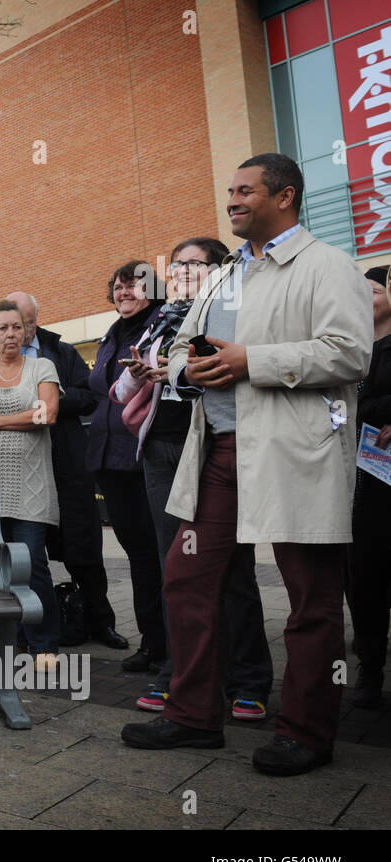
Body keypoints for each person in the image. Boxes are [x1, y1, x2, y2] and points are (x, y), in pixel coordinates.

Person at [122, 153, 372, 776]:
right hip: (218, 453)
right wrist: (189, 368)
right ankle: (193, 716)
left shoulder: (329, 265)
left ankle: (307, 733)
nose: (231, 200)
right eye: (229, 191)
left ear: (284, 196)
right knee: (186, 579)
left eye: (245, 191)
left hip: (294, 451)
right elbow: (182, 348)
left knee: (311, 595)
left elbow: (348, 355)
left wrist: (248, 361)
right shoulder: (226, 275)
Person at [109, 238, 272, 719]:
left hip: (215, 444)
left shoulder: (233, 311)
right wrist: (145, 372)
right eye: (175, 264)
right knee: (173, 568)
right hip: (161, 448)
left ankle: (248, 678)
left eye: (193, 264)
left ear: (219, 269)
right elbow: (120, 391)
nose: (180, 271)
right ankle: (182, 674)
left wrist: (184, 372)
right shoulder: (162, 318)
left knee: (233, 568)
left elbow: (238, 371)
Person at [0, 292, 127, 651]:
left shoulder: (58, 354)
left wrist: (48, 399)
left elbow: (87, 397)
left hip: (65, 465)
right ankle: (32, 632)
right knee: (27, 558)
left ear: (36, 321)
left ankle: (99, 621)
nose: (20, 330)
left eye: (27, 323)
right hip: (17, 472)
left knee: (84, 552)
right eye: (11, 324)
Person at [0, 300, 62, 669]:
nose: (10, 334)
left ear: (27, 331)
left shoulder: (42, 366)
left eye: (17, 327)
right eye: (2, 328)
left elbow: (47, 413)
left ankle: (45, 640)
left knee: (33, 560)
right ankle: (13, 638)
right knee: (1, 566)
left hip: (32, 484)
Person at [88, 261, 166, 672]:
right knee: (138, 555)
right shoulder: (111, 335)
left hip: (143, 458)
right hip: (108, 460)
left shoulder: (159, 328)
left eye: (134, 286)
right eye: (118, 287)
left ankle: (169, 645)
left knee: (158, 554)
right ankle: (153, 643)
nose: (124, 293)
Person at [346, 265, 391, 708]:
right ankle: (370, 667)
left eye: (373, 287)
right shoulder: (349, 347)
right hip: (355, 478)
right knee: (363, 576)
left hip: (387, 475)